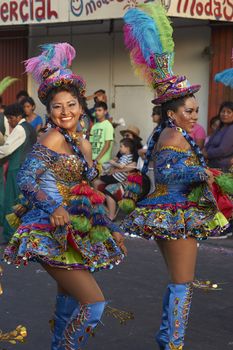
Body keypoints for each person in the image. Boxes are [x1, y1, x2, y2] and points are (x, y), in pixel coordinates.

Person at [3, 43, 127, 349]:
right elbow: (26, 178)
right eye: (57, 106)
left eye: (71, 104)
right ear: (49, 111)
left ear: (81, 106)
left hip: (75, 228)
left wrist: (110, 227)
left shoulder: (82, 144)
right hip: (49, 228)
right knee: (94, 304)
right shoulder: (53, 137)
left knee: (69, 300)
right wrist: (53, 205)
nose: (65, 112)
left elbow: (88, 192)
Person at [122, 4, 228, 350]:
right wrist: (204, 172)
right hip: (175, 212)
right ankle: (173, 343)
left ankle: (169, 339)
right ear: (172, 112)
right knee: (183, 283)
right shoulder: (173, 136)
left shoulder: (172, 134)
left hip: (170, 210)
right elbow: (169, 170)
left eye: (196, 110)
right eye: (189, 110)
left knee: (178, 282)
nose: (194, 114)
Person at [0, 103, 37, 241]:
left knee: (12, 201)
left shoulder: (19, 129)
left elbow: (7, 149)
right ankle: (24, 233)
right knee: (23, 202)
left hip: (17, 168)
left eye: (10, 118)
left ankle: (10, 234)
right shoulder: (30, 127)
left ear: (18, 116)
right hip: (28, 168)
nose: (9, 121)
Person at [96, 138, 137, 220]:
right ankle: (103, 208)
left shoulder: (127, 156)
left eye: (121, 146)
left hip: (120, 179)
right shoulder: (125, 156)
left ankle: (111, 215)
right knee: (98, 181)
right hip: (116, 176)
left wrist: (113, 164)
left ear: (127, 148)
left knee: (104, 181)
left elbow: (125, 166)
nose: (120, 148)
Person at [204, 101, 233, 171]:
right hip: (211, 164)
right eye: (223, 111)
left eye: (229, 112)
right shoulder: (220, 127)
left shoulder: (231, 128)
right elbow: (209, 143)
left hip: (222, 167)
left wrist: (207, 154)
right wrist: (203, 151)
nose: (225, 114)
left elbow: (223, 150)